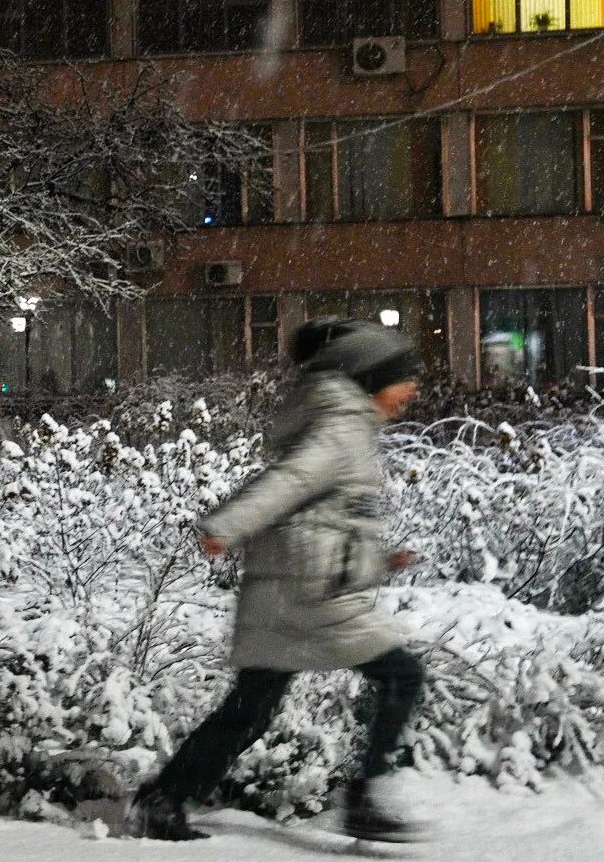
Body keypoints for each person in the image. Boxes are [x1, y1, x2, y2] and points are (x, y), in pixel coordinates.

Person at [130, 318, 427, 844]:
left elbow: (326, 516)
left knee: (252, 708)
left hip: (288, 584)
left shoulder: (341, 422)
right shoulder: (342, 427)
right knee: (401, 675)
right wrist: (227, 524)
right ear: (372, 378)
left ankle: (165, 798)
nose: (412, 390)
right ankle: (363, 798)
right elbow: (289, 482)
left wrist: (380, 560)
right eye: (403, 378)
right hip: (311, 591)